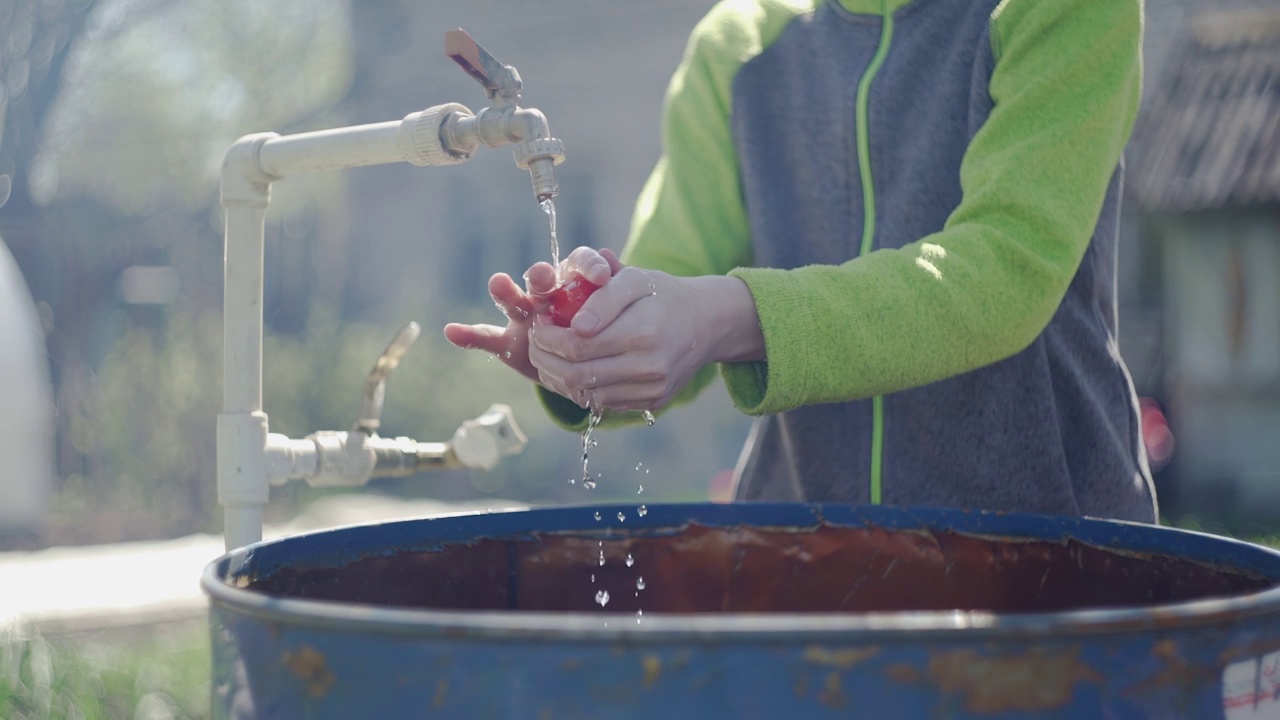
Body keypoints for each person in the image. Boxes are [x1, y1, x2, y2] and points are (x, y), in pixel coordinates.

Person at [445, 0, 1159, 524]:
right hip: (802, 565)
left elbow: (1006, 269)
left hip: (1050, 560)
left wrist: (726, 316)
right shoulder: (738, 45)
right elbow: (669, 274)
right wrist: (588, 341)